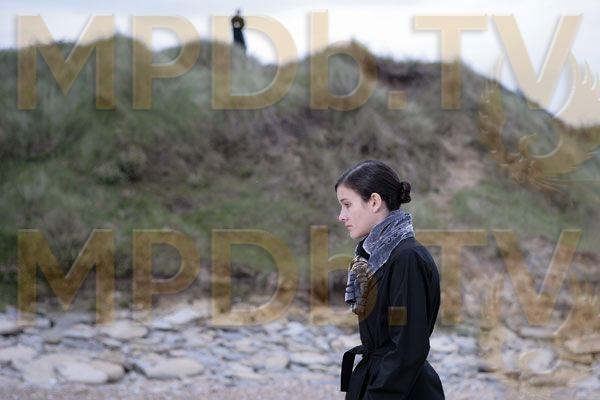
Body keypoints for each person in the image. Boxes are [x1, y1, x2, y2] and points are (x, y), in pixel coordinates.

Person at [335, 160, 445, 400]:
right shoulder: (375, 258)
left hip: (399, 391)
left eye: (347, 205)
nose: (341, 216)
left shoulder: (406, 259)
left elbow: (407, 347)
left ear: (374, 201)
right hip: (378, 380)